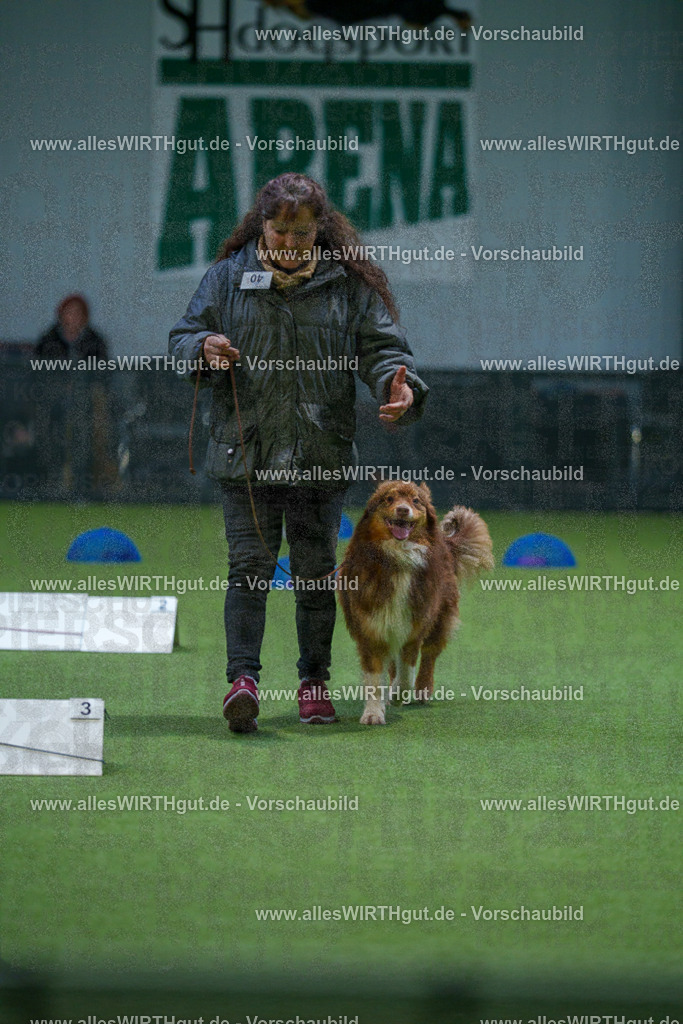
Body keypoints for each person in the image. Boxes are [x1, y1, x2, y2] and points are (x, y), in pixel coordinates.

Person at [169, 172, 428, 733]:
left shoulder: (347, 287)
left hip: (320, 454)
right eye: (280, 231)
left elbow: (385, 351)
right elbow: (182, 338)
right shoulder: (226, 279)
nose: (290, 243)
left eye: (302, 233)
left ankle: (314, 682)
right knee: (249, 571)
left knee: (314, 576)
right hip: (247, 454)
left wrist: (398, 387)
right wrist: (203, 348)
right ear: (262, 226)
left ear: (321, 229)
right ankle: (243, 683)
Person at [35, 294, 116, 495]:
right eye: (68, 312)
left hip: (89, 403)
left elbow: (103, 375)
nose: (72, 317)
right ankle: (56, 479)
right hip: (54, 404)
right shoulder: (48, 340)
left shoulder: (95, 341)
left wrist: (82, 386)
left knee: (96, 421)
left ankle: (94, 480)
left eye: (77, 313)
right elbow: (37, 375)